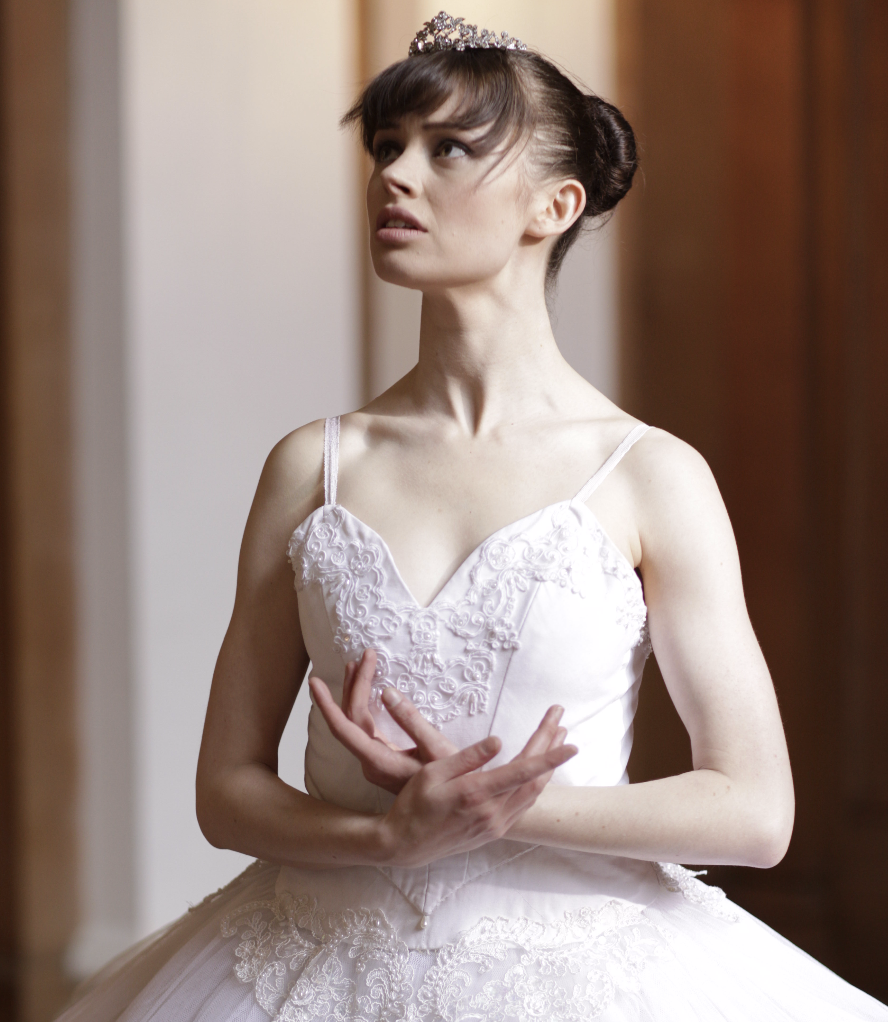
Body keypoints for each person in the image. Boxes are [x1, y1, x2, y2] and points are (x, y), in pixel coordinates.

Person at [58, 12, 888, 1021]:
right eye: (387, 146)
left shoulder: (649, 474)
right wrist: (387, 835)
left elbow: (756, 811)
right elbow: (226, 788)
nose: (395, 177)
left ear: (556, 204)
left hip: (582, 966)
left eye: (447, 149)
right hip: (314, 953)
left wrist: (506, 805)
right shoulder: (314, 466)